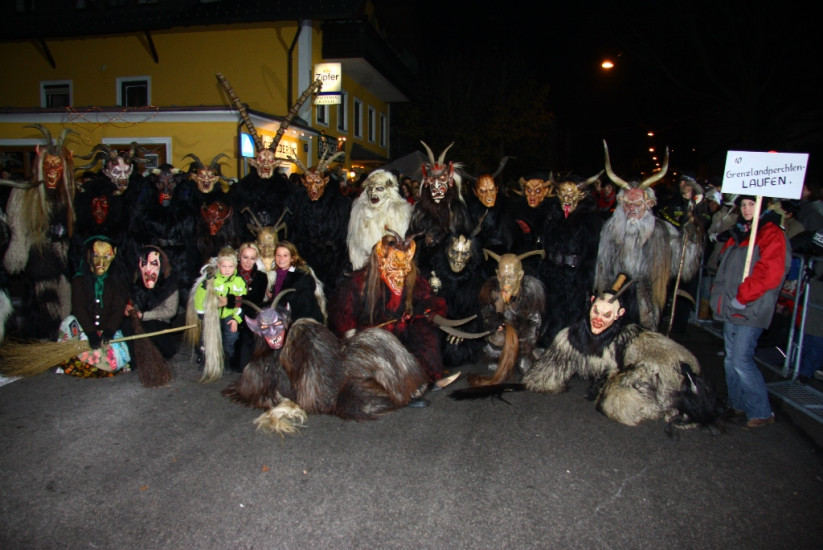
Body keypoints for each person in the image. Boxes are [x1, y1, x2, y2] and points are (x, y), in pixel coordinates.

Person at [710, 195, 791, 428]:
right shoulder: (741, 232)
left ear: (762, 205)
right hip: (732, 305)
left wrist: (744, 296)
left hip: (751, 306)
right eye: (744, 204)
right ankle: (737, 403)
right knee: (730, 359)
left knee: (741, 360)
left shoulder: (771, 233)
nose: (746, 209)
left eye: (752, 204)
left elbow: (770, 272)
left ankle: (761, 411)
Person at [60, 236, 131, 377]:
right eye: (96, 256)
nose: (101, 262)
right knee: (68, 323)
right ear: (88, 256)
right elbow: (79, 308)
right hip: (85, 330)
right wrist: (91, 333)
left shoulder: (117, 281)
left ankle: (94, 363)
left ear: (114, 255)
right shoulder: (79, 280)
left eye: (106, 257)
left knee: (112, 359)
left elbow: (118, 309)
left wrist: (109, 332)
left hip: (108, 332)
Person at [192, 246, 246, 379]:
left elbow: (242, 302)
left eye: (230, 266)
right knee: (207, 337)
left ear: (236, 266)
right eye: (224, 266)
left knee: (231, 336)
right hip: (212, 315)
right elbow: (199, 297)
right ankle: (206, 359)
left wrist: (236, 318)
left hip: (229, 314)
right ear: (218, 266)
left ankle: (227, 359)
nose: (227, 270)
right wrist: (202, 313)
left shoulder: (239, 281)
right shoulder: (211, 280)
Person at [230, 242, 269, 372]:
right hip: (231, 312)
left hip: (250, 313)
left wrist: (231, 300)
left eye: (252, 258)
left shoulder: (261, 277)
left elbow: (255, 299)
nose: (248, 262)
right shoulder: (230, 273)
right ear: (239, 256)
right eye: (245, 257)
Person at [269, 240, 324, 324]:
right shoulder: (277, 275)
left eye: (285, 255)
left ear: (292, 258)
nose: (281, 259)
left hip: (301, 323)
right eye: (278, 255)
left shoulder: (302, 277)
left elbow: (307, 307)